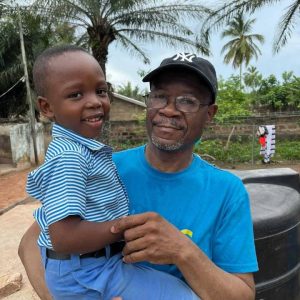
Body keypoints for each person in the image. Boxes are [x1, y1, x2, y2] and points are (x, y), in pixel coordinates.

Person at [19, 52, 258, 300]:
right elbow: (32, 243)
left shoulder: (227, 191)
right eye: (160, 97)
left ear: (210, 113)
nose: (169, 110)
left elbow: (242, 295)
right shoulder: (103, 169)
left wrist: (182, 251)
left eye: (187, 101)